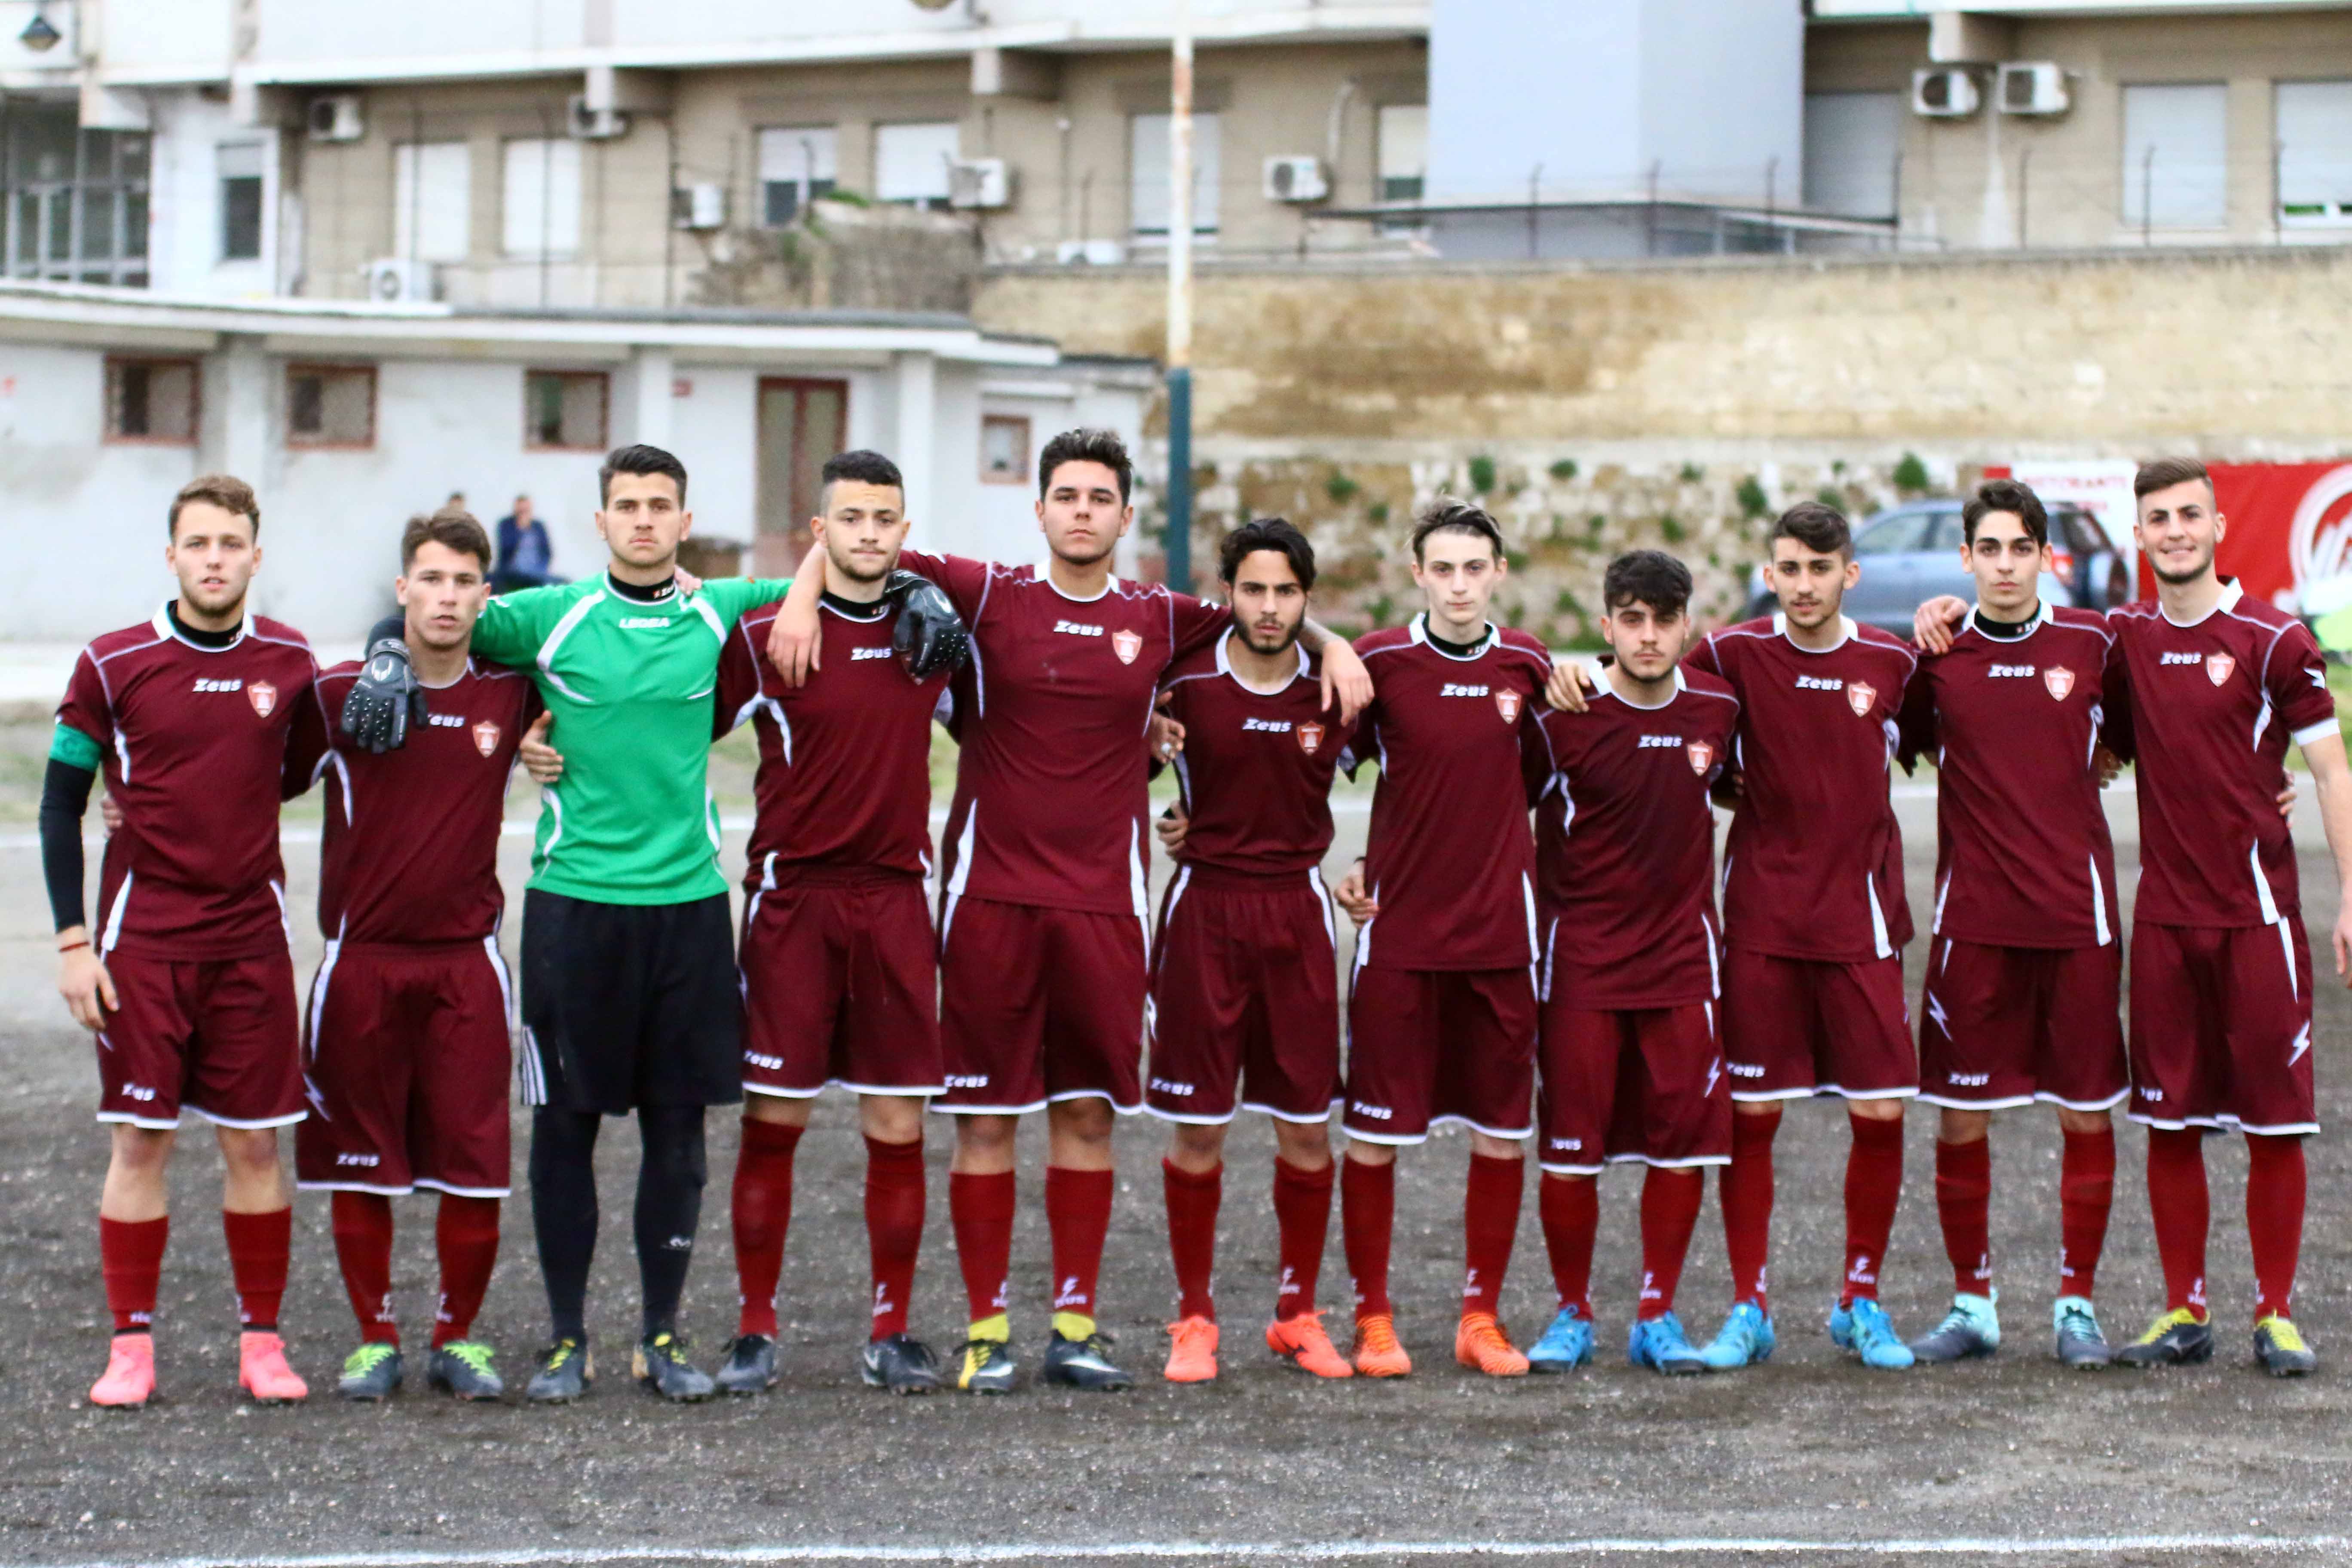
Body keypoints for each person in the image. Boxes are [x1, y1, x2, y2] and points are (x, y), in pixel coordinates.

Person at [765, 427, 1372, 1394]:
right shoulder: (990, 592)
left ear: (1126, 517)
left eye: (1101, 499)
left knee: (1089, 1113)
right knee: (987, 1120)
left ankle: (1076, 1326)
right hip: (989, 899)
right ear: (1039, 509)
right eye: (1068, 496)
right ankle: (984, 1329)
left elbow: (1269, 614)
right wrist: (800, 598)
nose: (1083, 512)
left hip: (1105, 904)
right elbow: (857, 545)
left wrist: (1335, 640)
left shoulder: (1162, 616)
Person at [337, 442, 793, 1403]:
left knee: (679, 1132)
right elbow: (433, 613)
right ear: (600, 520)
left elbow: (839, 575)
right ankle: (564, 1338)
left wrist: (885, 592)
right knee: (565, 1126)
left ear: (682, 519)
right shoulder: (550, 616)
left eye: (659, 505)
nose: (641, 519)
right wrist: (384, 652)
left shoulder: (721, 608)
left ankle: (662, 1338)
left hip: (688, 909)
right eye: (625, 504)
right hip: (575, 910)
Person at [1917, 457, 2352, 1377]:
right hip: (2160, 921)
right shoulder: (2124, 639)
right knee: (2169, 1120)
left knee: (2277, 1123)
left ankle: (2274, 1313)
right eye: (2159, 519)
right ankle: (2183, 1309)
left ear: (2218, 525)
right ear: (2140, 536)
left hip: (2260, 917)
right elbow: (2101, 730)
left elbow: (2330, 771)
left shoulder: (2272, 639)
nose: (2176, 531)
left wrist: (2348, 890)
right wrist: (1938, 619)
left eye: (2190, 515)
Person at [1564, 501, 1923, 1371]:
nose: (1804, 585)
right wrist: (1571, 671)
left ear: (1851, 574)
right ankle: (1749, 1306)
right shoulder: (1729, 657)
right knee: (1750, 1119)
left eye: (1820, 567)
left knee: (1880, 1115)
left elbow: (1980, 743)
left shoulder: (1896, 664)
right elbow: (1654, 701)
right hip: (1760, 922)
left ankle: (1860, 1301)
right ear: (1771, 574)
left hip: (1861, 924)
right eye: (1790, 568)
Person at [47, 474, 323, 1408]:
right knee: (140, 1143)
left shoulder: (289, 662)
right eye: (198, 543)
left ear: (256, 555)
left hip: (249, 940)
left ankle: (263, 1342)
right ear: (172, 556)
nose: (215, 558)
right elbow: (58, 805)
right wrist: (72, 942)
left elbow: (289, 775)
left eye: (231, 543)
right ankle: (131, 1347)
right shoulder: (112, 662)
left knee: (255, 1148)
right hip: (142, 942)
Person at [706, 450, 963, 1396]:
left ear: (905, 531)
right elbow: (672, 728)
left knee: (897, 1127)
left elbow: (1019, 732)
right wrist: (543, 735)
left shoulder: (934, 632)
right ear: (821, 531)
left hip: (895, 900)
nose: (868, 534)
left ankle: (890, 1331)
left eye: (884, 519)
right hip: (792, 903)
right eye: (849, 518)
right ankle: (755, 1332)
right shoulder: (768, 632)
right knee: (774, 1123)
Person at [288, 508, 543, 1402]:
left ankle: (457, 1337)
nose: (446, 597)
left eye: (464, 581)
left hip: (467, 963)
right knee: (359, 1155)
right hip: (360, 960)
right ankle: (374, 1337)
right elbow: (243, 777)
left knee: (474, 1159)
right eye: (430, 579)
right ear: (403, 589)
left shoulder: (513, 695)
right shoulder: (338, 696)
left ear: (486, 595)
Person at [1889, 480, 2132, 1369]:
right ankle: (1973, 1302)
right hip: (1974, 923)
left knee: (2086, 1116)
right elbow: (1878, 740)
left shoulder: (2095, 645)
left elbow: (2157, 737)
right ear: (1966, 558)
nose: (2002, 565)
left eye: (2018, 549)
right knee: (1960, 1115)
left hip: (2077, 919)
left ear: (2044, 556)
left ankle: (2076, 1307)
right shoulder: (1935, 658)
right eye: (1987, 550)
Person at [1329, 499, 1554, 1380]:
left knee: (1502, 1134)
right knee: (1375, 1135)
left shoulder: (1529, 666)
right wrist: (1354, 857)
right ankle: (1374, 1319)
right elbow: (1310, 760)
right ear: (1416, 573)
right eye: (1443, 569)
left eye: (1475, 569)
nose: (1460, 585)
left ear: (1499, 573)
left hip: (1501, 936)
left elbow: (1539, 785)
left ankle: (1480, 1317)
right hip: (1400, 938)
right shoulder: (1377, 662)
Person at [1144, 518, 1354, 1384]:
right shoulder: (1182, 685)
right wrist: (1162, 811)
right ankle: (1194, 1317)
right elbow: (1096, 771)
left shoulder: (1337, 689)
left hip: (1298, 915)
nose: (1269, 609)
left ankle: (1297, 1314)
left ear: (1307, 599)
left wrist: (1375, 869)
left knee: (1307, 1129)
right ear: (1227, 590)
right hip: (1204, 914)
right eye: (1254, 590)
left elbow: (1419, 780)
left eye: (1287, 592)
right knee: (1200, 1129)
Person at [1520, 550, 1740, 1377]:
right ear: (1606, 625)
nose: (1648, 636)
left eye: (1664, 619)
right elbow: (1482, 797)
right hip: (1582, 964)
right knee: (1571, 1151)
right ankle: (1572, 1311)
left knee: (1680, 1146)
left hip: (1684, 962)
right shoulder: (1558, 714)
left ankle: (1657, 1311)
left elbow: (1752, 788)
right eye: (1632, 620)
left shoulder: (1718, 707)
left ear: (1688, 625)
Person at [495, 495, 562, 594]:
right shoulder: (506, 525)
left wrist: (542, 569)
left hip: (537, 573)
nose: (523, 514)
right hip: (513, 572)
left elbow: (547, 552)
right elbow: (506, 548)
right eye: (521, 511)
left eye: (526, 510)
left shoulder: (539, 527)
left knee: (561, 583)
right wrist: (520, 529)